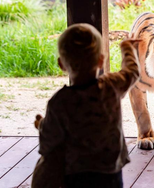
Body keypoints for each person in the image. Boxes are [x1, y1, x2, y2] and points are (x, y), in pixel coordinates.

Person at [32, 23, 140, 188]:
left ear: (61, 64)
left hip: (76, 174)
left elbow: (49, 140)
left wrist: (41, 125)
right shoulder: (111, 86)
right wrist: (127, 48)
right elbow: (132, 73)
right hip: (109, 172)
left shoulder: (60, 102)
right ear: (101, 61)